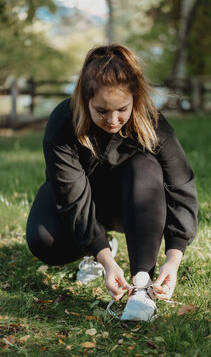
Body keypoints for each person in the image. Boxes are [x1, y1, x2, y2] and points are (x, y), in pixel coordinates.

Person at [26, 44, 198, 322]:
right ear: (85, 99)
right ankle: (95, 248)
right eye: (101, 110)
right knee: (43, 240)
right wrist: (104, 258)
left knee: (146, 165)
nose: (113, 119)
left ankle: (142, 286)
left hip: (132, 203)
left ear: (135, 98)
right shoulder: (62, 122)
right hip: (78, 195)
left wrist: (173, 258)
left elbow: (182, 187)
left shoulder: (153, 123)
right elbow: (71, 196)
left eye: (122, 109)